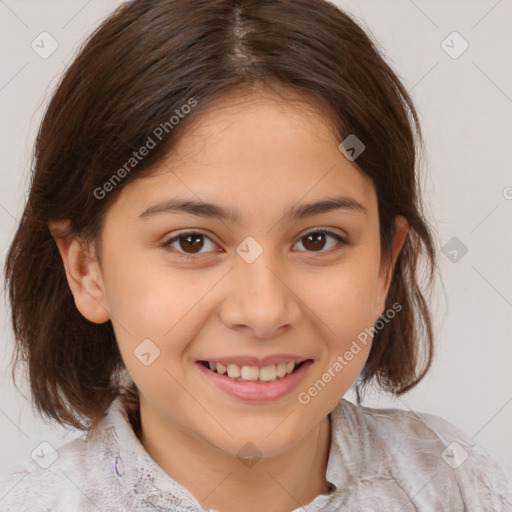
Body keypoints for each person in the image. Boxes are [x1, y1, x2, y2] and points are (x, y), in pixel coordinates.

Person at [1, 0, 511, 510]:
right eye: (192, 242)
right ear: (87, 270)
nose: (264, 312)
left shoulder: (459, 486)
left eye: (318, 239)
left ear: (385, 265)